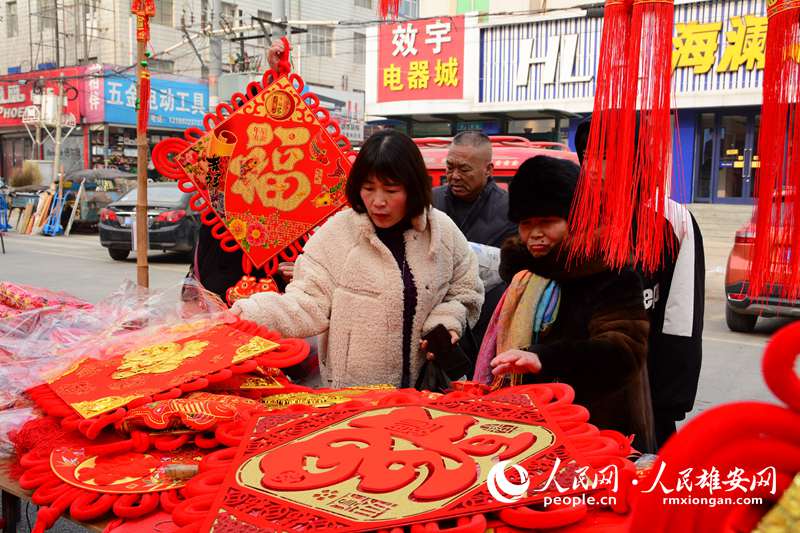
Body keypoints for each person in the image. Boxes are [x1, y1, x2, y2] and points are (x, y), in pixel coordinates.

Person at [231, 130, 484, 389]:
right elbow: (306, 302)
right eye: (368, 188)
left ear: (414, 187)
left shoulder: (442, 233)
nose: (378, 202)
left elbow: (465, 291)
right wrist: (246, 315)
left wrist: (446, 322)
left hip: (431, 389)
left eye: (391, 190)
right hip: (356, 394)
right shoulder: (336, 234)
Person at [477, 155, 655, 452]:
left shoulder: (610, 271)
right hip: (532, 421)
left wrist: (546, 357)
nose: (535, 234)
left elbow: (624, 351)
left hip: (596, 425)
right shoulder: (523, 273)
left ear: (577, 219)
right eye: (526, 224)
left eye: (547, 222)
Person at [574, 119, 705, 449]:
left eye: (603, 155)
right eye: (586, 154)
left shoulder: (672, 220)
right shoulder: (576, 216)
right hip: (579, 385)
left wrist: (669, 396)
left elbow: (681, 313)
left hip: (643, 387)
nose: (591, 166)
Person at [433, 131, 518, 366]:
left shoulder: (510, 210)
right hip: (438, 322)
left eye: (464, 169)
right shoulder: (430, 202)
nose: (454, 176)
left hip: (489, 325)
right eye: (450, 167)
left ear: (488, 169)